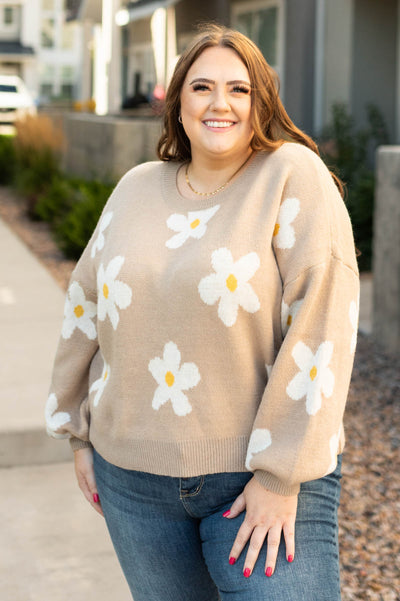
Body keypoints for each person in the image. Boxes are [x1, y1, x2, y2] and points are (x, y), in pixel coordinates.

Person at [45, 24, 359, 601]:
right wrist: (77, 435)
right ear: (177, 102)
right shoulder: (137, 187)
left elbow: (324, 321)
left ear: (262, 102)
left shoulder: (293, 175)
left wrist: (279, 475)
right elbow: (85, 307)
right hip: (133, 482)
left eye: (240, 90)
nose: (221, 104)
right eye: (202, 87)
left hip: (257, 481)